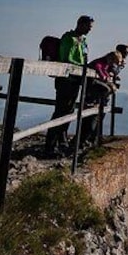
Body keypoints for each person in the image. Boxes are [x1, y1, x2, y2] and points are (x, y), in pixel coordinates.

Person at [45, 15, 94, 154]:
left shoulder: (83, 40)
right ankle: (50, 145)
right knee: (61, 111)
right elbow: (66, 59)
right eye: (88, 27)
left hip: (75, 80)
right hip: (66, 80)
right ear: (81, 24)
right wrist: (85, 67)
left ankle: (61, 141)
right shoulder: (69, 39)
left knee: (69, 110)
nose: (90, 30)